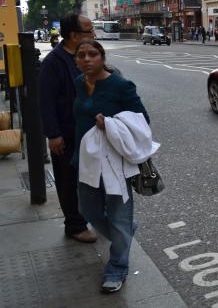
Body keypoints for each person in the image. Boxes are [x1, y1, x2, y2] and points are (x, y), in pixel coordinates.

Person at [73, 40, 151, 293]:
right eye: (81, 55)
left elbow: (143, 121)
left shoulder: (121, 86)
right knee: (88, 210)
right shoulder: (78, 83)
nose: (86, 59)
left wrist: (110, 124)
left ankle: (117, 268)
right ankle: (125, 232)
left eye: (92, 54)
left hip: (115, 163)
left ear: (102, 57)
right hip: (86, 160)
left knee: (118, 217)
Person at [38, 14, 98, 244]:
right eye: (88, 30)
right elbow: (46, 101)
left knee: (89, 179)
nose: (93, 34)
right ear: (74, 36)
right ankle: (74, 226)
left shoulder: (84, 56)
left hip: (87, 133)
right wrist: (53, 135)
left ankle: (91, 217)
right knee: (67, 181)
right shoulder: (54, 63)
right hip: (66, 134)